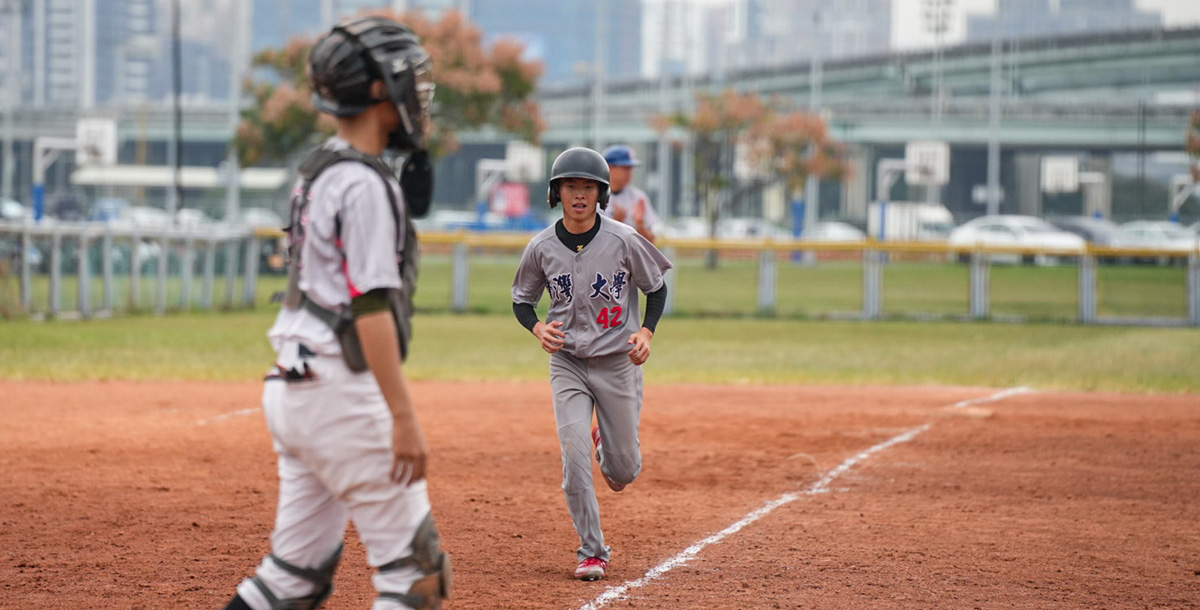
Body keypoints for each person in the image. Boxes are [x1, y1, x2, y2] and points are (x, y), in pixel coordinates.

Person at [219, 16, 450, 610]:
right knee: (416, 578)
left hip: (293, 387)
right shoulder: (367, 185)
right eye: (408, 80)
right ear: (379, 92)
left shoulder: (319, 169)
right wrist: (403, 416)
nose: (418, 94)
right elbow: (370, 306)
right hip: (341, 394)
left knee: (292, 577)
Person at [511, 147, 673, 582]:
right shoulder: (541, 246)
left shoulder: (622, 238)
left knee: (623, 472)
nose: (578, 194)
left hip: (618, 362)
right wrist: (536, 329)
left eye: (588, 187)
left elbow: (656, 288)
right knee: (573, 458)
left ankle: (607, 442)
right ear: (556, 192)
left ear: (601, 193)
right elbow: (522, 300)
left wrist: (647, 332)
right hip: (567, 364)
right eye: (570, 186)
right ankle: (592, 551)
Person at [599, 144, 662, 243]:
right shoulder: (594, 195)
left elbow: (652, 240)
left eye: (630, 168)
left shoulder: (638, 197)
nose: (629, 172)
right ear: (609, 167)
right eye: (625, 168)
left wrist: (640, 224)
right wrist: (616, 222)